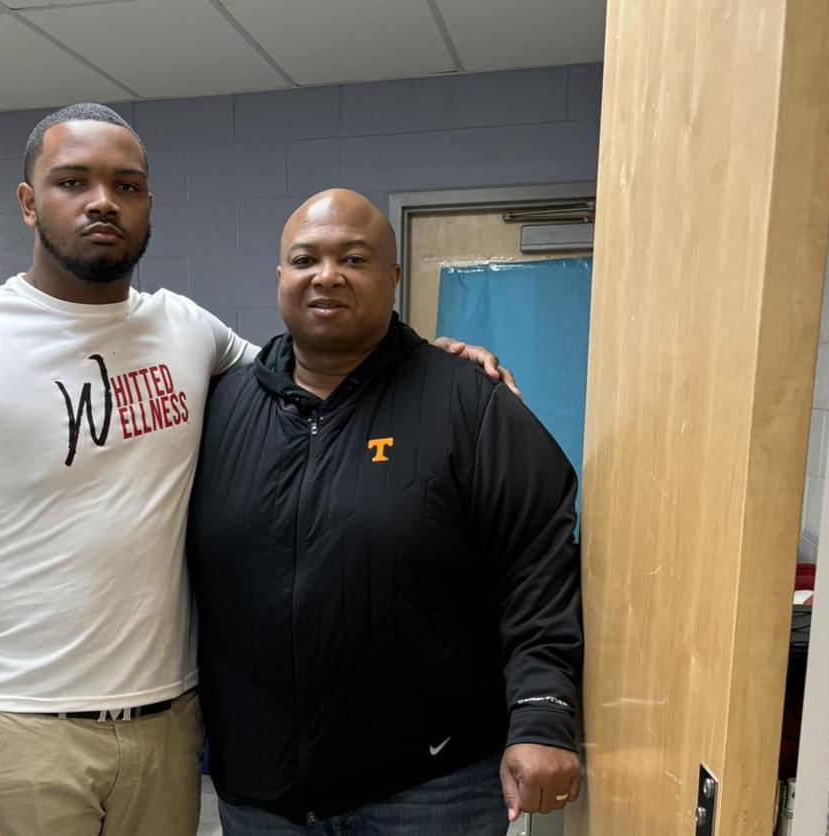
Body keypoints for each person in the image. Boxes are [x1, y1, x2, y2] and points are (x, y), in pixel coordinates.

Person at [0, 106, 512, 836]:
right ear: (28, 202)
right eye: (72, 181)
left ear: (147, 206)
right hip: (23, 729)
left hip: (169, 727)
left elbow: (318, 369)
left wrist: (435, 364)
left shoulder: (187, 329)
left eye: (127, 185)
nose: (102, 200)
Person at [187, 189, 583, 834]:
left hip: (428, 789)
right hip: (261, 793)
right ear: (280, 277)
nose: (327, 274)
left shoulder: (468, 403)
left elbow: (538, 567)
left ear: (393, 277)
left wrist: (542, 715)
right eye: (305, 258)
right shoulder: (219, 409)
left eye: (355, 258)